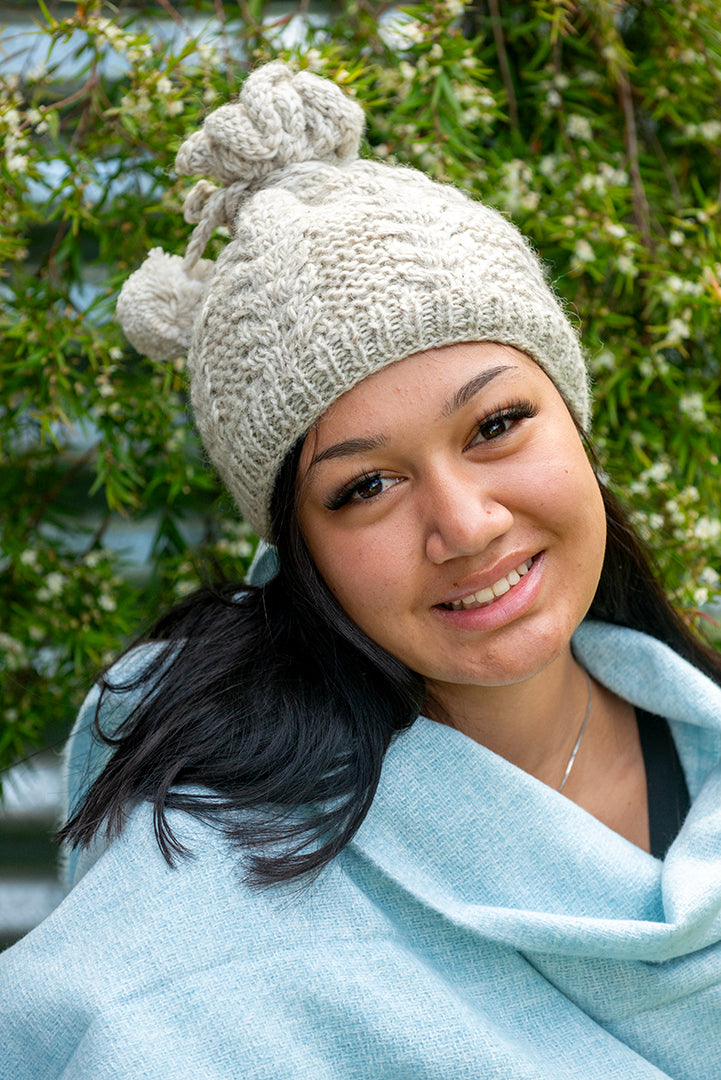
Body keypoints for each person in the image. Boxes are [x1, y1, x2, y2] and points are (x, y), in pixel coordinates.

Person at [2, 60, 721, 1080]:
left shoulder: (697, 742)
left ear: (575, 417)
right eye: (363, 489)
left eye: (498, 424)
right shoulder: (204, 918)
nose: (465, 524)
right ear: (300, 553)